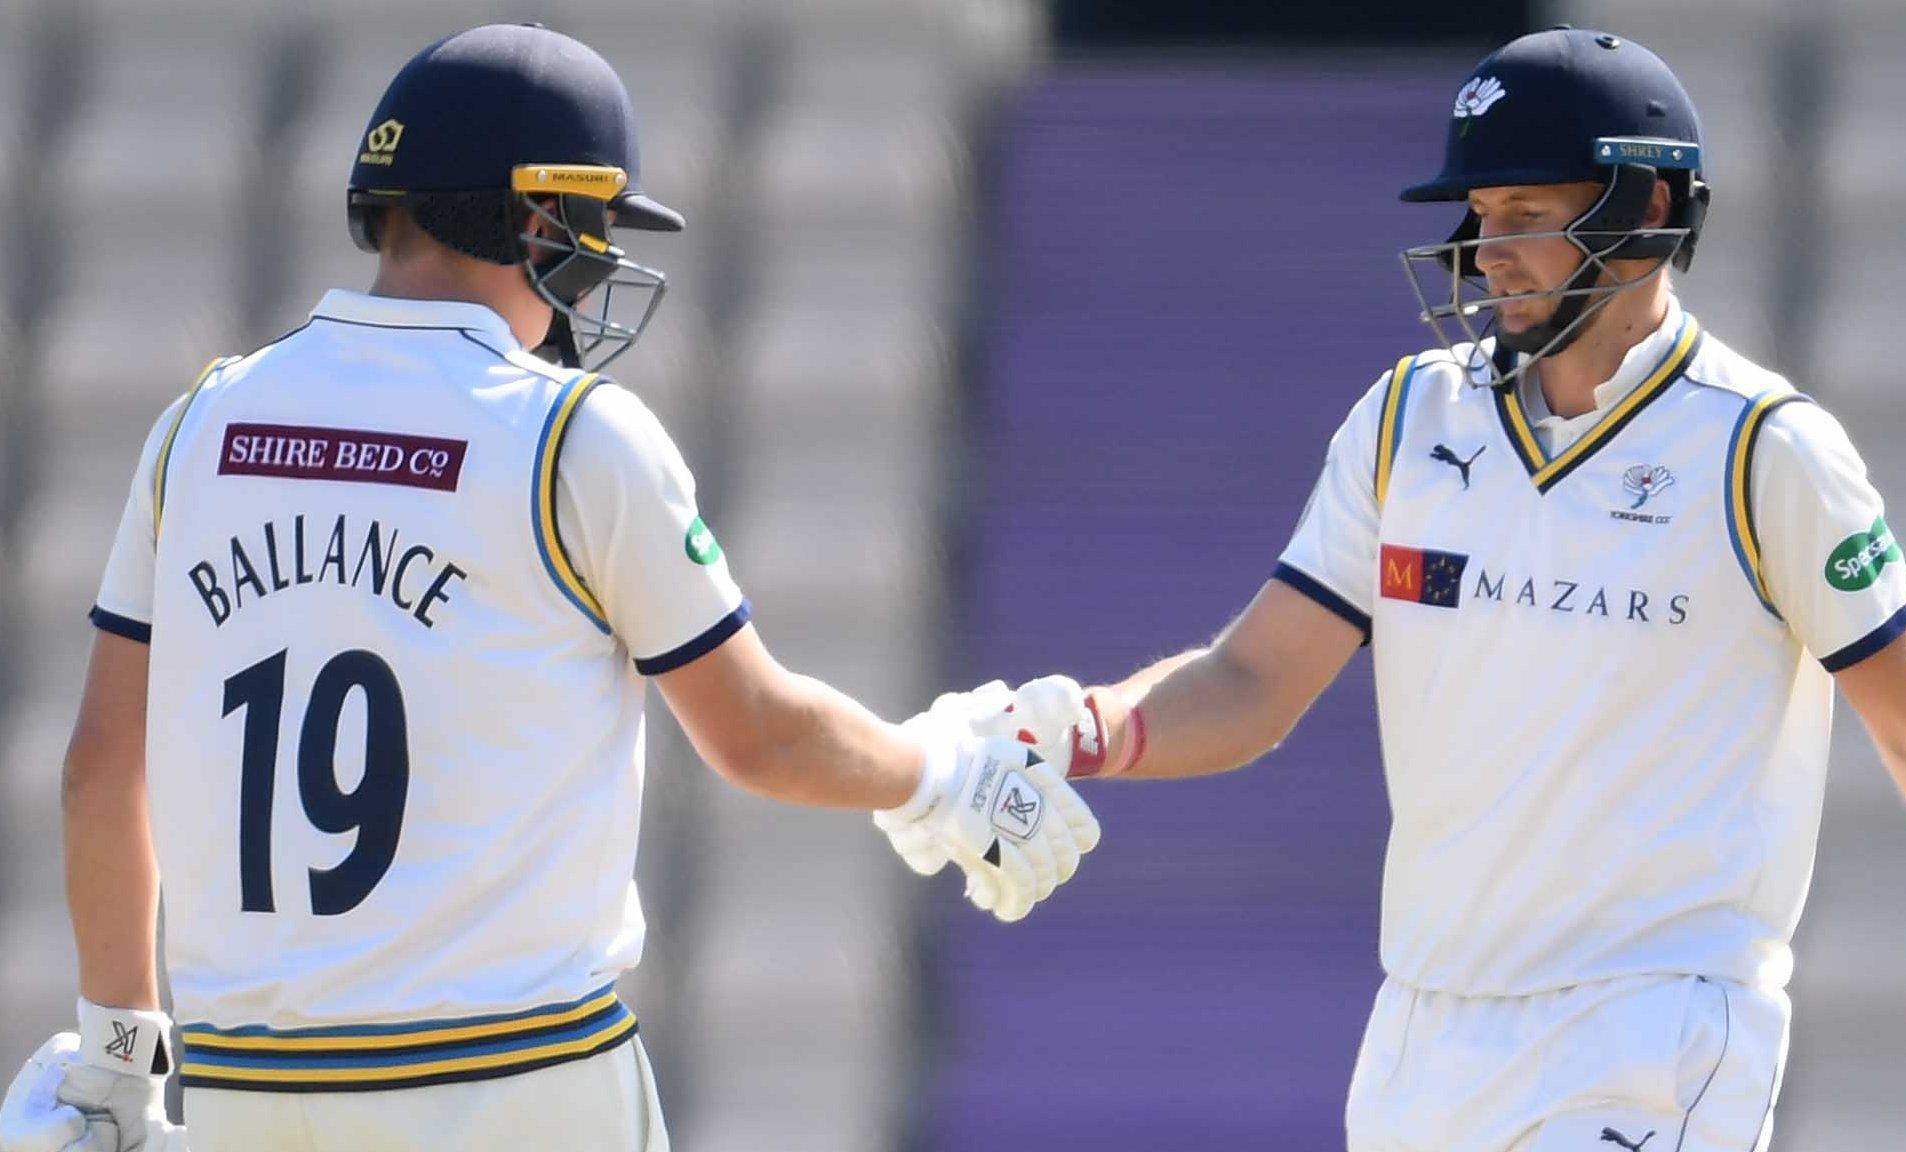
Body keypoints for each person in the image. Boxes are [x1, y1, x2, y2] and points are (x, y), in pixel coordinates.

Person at [885, 27, 1906, 1150]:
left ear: (1645, 209)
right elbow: (1251, 681)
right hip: (1421, 1040)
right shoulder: (1407, 418)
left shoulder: (1763, 450)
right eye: (1481, 214)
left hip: (1652, 1032)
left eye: (1526, 215)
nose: (1487, 250)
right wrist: (1068, 730)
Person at [0, 23, 1097, 1152]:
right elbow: (757, 734)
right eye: (591, 229)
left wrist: (120, 1060)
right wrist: (941, 777)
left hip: (251, 1091)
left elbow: (101, 768)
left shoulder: (200, 425)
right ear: (536, 219)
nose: (596, 266)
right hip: (518, 1081)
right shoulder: (571, 435)